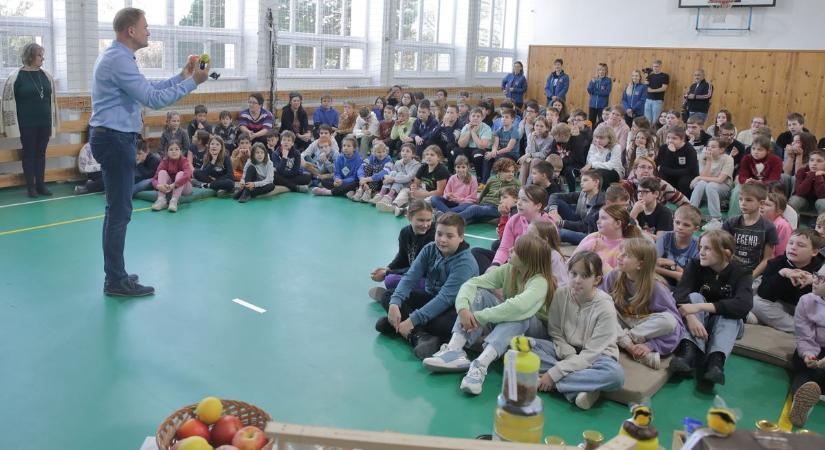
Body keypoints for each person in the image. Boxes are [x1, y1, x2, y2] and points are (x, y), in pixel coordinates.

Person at [89, 7, 208, 296]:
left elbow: (148, 88)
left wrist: (182, 75)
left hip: (113, 138)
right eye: (145, 26)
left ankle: (115, 275)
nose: (149, 31)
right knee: (119, 212)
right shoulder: (118, 59)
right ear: (131, 30)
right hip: (115, 139)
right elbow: (154, 99)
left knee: (116, 210)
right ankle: (115, 281)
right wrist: (194, 82)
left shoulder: (119, 57)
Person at [423, 234, 558, 395]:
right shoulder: (510, 269)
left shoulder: (540, 281)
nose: (510, 249)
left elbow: (520, 307)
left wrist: (480, 317)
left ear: (528, 260)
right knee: (479, 293)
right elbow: (472, 283)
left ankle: (480, 365)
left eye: (516, 250)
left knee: (519, 315)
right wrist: (463, 309)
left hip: (536, 333)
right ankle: (454, 349)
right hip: (511, 326)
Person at [376, 213, 479, 359]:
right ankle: (419, 335)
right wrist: (394, 303)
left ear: (461, 237)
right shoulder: (430, 249)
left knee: (446, 325)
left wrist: (412, 320)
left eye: (449, 236)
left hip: (456, 308)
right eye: (439, 234)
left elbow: (445, 299)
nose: (442, 240)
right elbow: (410, 277)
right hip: (431, 297)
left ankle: (403, 327)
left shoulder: (465, 264)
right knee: (388, 296)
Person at [533, 251, 625, 410]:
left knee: (616, 375)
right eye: (573, 274)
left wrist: (553, 374)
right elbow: (555, 331)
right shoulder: (561, 293)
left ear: (596, 280)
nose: (576, 280)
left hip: (597, 357)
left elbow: (591, 354)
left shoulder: (605, 307)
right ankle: (580, 389)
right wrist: (568, 354)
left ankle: (556, 385)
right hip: (565, 350)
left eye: (584, 276)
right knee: (525, 346)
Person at [671, 230, 753, 386]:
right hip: (699, 321)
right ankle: (689, 353)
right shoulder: (695, 265)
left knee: (729, 314)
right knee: (694, 296)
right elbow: (679, 295)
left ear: (726, 253)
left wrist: (699, 307)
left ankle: (715, 362)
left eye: (707, 248)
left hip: (728, 325)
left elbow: (744, 305)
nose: (701, 252)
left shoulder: (742, 271)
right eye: (700, 247)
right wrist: (691, 317)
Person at [603, 238, 685, 369]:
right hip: (619, 320)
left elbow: (676, 325)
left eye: (626, 255)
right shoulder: (614, 275)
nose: (619, 256)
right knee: (603, 308)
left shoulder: (657, 288)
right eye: (621, 252)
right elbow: (600, 302)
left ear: (640, 264)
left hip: (642, 327)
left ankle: (623, 339)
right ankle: (629, 346)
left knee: (669, 321)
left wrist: (651, 345)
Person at [1, 42, 59, 198]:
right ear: (30, 56)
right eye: (40, 55)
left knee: (41, 154)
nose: (43, 58)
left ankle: (41, 185)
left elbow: (51, 99)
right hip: (27, 124)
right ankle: (30, 187)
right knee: (29, 154)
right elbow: (8, 100)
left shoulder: (45, 76)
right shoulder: (17, 77)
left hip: (44, 122)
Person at [751, 230, 823, 333]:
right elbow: (764, 294)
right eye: (790, 243)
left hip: (809, 310)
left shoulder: (821, 268)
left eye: (801, 245)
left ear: (814, 252)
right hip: (781, 306)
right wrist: (782, 273)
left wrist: (815, 280)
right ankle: (803, 329)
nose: (793, 247)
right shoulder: (776, 263)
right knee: (756, 302)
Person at [369, 200, 435, 297]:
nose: (425, 225)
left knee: (391, 280)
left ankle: (392, 297)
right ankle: (398, 296)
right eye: (421, 220)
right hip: (415, 275)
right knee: (391, 279)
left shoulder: (433, 236)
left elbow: (421, 269)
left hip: (430, 280)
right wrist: (388, 268)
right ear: (409, 217)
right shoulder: (405, 233)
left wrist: (387, 273)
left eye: (428, 220)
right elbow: (402, 257)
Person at [787, 265, 825, 428]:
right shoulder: (806, 301)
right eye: (817, 275)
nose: (815, 280)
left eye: (822, 279)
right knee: (805, 370)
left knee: (816, 373)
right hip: (813, 348)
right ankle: (801, 403)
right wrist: (808, 354)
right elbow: (804, 335)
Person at [723, 181, 779, 278]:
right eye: (740, 199)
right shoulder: (730, 223)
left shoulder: (769, 227)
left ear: (761, 203)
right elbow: (723, 250)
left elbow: (767, 258)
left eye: (748, 200)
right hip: (730, 271)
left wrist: (750, 277)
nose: (743, 203)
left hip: (755, 275)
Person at [573, 204, 642, 273]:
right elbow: (571, 262)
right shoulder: (593, 237)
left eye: (603, 218)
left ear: (618, 223)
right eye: (598, 218)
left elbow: (618, 279)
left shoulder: (626, 248)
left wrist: (600, 255)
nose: (598, 222)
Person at [549, 169, 604, 246]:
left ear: (596, 182)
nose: (581, 183)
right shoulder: (582, 194)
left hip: (590, 234)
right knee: (556, 202)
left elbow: (585, 226)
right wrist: (553, 210)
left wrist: (561, 223)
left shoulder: (600, 202)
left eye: (585, 180)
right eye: (581, 181)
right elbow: (554, 196)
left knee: (561, 233)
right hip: (578, 222)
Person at [690, 137, 734, 230]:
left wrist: (698, 177)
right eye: (708, 146)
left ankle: (716, 220)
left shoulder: (728, 159)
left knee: (710, 185)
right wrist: (709, 161)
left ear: (721, 150)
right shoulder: (703, 157)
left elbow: (720, 180)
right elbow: (704, 177)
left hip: (723, 188)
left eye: (713, 147)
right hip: (706, 187)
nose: (709, 148)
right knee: (702, 183)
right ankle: (691, 213)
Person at [656, 205, 701, 289]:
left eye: (686, 225)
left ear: (696, 229)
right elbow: (651, 266)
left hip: (684, 287)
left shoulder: (699, 245)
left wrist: (674, 266)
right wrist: (676, 273)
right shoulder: (664, 237)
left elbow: (691, 278)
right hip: (661, 280)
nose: (680, 227)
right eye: (677, 222)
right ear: (673, 221)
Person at [373, 142, 421, 207]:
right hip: (397, 185)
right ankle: (382, 193)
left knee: (400, 174)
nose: (404, 153)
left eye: (408, 151)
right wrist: (386, 178)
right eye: (403, 151)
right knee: (393, 173)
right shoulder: (398, 162)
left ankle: (389, 196)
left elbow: (408, 178)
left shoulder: (416, 165)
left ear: (413, 154)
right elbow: (392, 173)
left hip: (409, 185)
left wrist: (393, 179)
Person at [150, 140, 192, 212]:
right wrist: (158, 186)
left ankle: (174, 200)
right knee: (162, 172)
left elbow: (188, 175)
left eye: (176, 149)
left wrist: (175, 184)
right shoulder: (164, 161)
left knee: (181, 174)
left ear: (181, 151)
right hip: (169, 188)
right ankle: (161, 199)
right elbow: (154, 179)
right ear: (167, 152)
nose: (174, 151)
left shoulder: (184, 160)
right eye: (171, 149)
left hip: (185, 188)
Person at [656, 126, 697, 197]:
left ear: (682, 140)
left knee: (684, 181)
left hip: (686, 176)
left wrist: (666, 170)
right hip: (672, 174)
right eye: (668, 138)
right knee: (661, 178)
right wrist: (670, 153)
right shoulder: (663, 148)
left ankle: (686, 201)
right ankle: (663, 199)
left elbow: (689, 170)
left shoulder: (690, 150)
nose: (670, 141)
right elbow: (660, 166)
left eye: (674, 138)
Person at [789, 149, 825, 215]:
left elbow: (823, 195)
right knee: (795, 200)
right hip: (804, 202)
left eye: (819, 161)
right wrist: (811, 175)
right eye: (811, 160)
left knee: (823, 202)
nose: (814, 163)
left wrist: (819, 177)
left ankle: (822, 223)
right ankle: (790, 223)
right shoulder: (802, 171)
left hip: (820, 203)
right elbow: (799, 192)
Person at [643, 60, 669, 125]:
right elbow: (646, 86)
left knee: (656, 120)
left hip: (657, 101)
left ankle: (655, 134)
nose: (655, 68)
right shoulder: (650, 76)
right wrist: (646, 80)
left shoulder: (664, 76)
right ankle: (647, 134)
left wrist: (652, 90)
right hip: (648, 100)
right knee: (647, 120)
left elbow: (664, 88)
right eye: (654, 66)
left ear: (660, 66)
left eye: (657, 66)